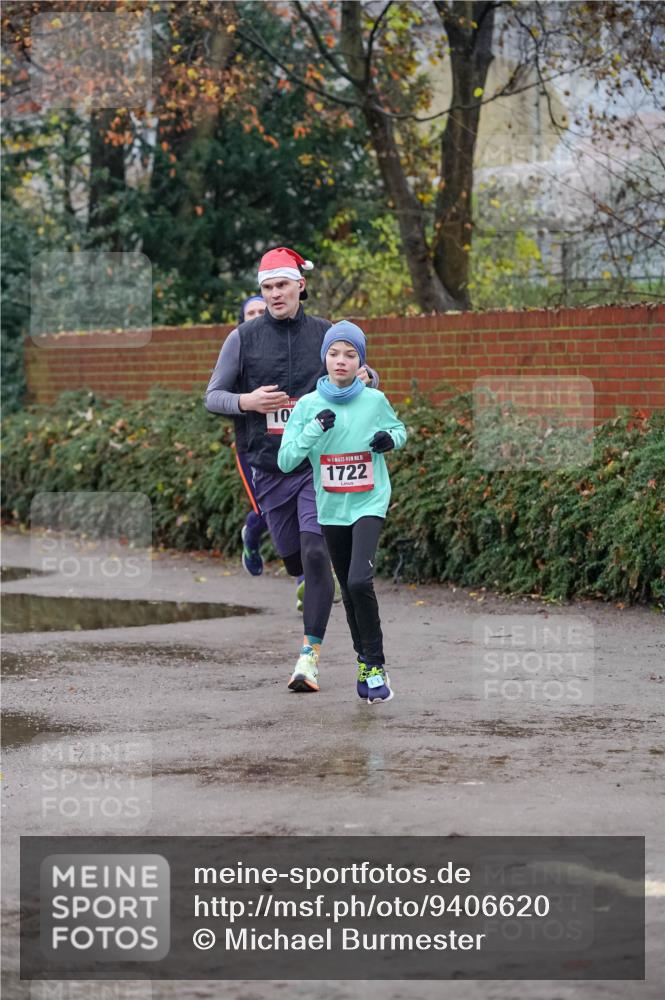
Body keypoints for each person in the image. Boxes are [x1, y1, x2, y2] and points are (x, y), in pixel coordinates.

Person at [204, 248, 378, 691]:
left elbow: (361, 371)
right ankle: (294, 567)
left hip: (316, 465)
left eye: (282, 285)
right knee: (296, 557)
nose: (275, 294)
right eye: (267, 287)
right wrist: (247, 402)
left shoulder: (323, 333)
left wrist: (366, 380)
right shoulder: (242, 338)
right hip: (268, 466)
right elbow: (213, 396)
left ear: (300, 284)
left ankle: (309, 658)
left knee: (318, 553)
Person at [278, 320, 406, 702]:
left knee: (358, 582)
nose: (341, 361)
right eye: (334, 353)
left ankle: (376, 666)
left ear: (360, 362)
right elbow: (286, 460)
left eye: (350, 355)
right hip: (332, 508)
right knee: (349, 592)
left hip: (369, 500)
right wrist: (314, 430)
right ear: (325, 359)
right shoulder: (307, 406)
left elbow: (399, 429)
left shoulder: (374, 401)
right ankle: (364, 664)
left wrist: (390, 440)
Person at [233, 296, 268, 576]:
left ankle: (307, 582)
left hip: (292, 444)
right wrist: (248, 401)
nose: (257, 315)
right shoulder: (235, 350)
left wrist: (370, 376)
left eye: (262, 310)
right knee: (267, 509)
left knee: (303, 512)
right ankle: (251, 537)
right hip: (251, 445)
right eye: (251, 312)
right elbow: (216, 397)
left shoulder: (294, 345)